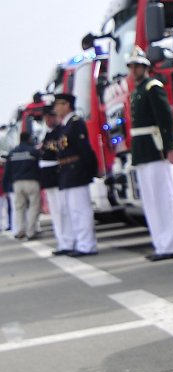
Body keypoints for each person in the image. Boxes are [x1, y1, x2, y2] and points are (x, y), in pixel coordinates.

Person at [127, 47, 173, 261]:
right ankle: (161, 244)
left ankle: (171, 244)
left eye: (137, 66)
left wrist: (169, 147)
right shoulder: (138, 90)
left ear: (145, 67)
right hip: (142, 152)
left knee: (164, 199)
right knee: (151, 201)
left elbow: (165, 119)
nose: (134, 70)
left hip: (155, 149)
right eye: (132, 66)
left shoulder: (153, 87)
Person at [52, 92, 99, 257]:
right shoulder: (65, 125)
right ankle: (79, 242)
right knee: (71, 211)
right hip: (67, 172)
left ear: (67, 105)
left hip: (77, 170)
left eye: (58, 104)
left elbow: (84, 149)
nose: (55, 108)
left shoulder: (76, 123)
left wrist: (91, 169)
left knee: (81, 210)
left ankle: (87, 245)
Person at [38, 104, 72, 254]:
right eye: (46, 117)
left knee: (63, 209)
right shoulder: (48, 134)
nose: (47, 119)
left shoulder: (60, 131)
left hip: (57, 173)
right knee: (56, 211)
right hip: (48, 176)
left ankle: (69, 241)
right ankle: (62, 241)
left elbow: (60, 150)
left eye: (50, 116)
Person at [6, 131, 41, 239]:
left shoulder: (12, 152)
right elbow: (39, 166)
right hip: (32, 181)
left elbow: (8, 170)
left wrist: (8, 185)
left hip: (17, 183)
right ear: (29, 139)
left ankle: (21, 230)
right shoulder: (33, 151)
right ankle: (30, 232)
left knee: (19, 207)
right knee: (34, 206)